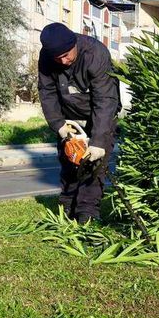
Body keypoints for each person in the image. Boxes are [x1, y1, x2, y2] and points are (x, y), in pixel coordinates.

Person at [37, 22, 120, 225]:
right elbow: (47, 92)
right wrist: (59, 125)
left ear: (74, 43)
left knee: (94, 167)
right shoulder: (47, 57)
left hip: (99, 115)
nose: (64, 61)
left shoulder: (95, 53)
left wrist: (99, 141)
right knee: (69, 163)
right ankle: (67, 208)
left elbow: (105, 100)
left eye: (67, 55)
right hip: (69, 118)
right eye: (59, 58)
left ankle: (87, 215)